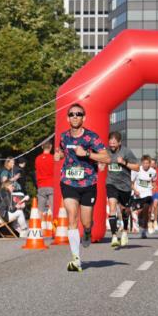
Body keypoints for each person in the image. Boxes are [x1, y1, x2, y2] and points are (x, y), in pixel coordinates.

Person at [54, 103, 109, 272]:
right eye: (72, 114)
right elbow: (62, 151)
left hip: (88, 184)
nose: (75, 116)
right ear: (67, 118)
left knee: (86, 222)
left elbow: (107, 158)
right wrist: (59, 155)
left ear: (84, 118)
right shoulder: (64, 137)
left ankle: (87, 231)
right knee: (72, 217)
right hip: (68, 182)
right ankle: (76, 259)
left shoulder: (91, 137)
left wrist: (86, 154)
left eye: (78, 114)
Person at [103, 131, 139, 249]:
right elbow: (101, 161)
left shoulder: (126, 152)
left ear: (119, 142)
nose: (112, 145)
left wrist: (124, 162)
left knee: (124, 210)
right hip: (111, 183)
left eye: (114, 143)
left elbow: (137, 167)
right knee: (112, 206)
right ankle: (114, 236)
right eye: (110, 143)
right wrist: (101, 165)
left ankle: (124, 232)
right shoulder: (106, 151)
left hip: (125, 185)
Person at [130, 155, 157, 238]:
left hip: (148, 194)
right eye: (144, 163)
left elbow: (154, 181)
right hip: (138, 195)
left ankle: (144, 229)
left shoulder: (153, 171)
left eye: (147, 163)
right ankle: (141, 224)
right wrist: (135, 190)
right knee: (140, 212)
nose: (146, 165)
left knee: (146, 210)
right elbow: (131, 183)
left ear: (150, 164)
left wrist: (154, 187)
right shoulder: (136, 170)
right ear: (141, 163)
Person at [34, 141, 56, 222]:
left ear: (42, 147)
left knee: (40, 208)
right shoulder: (53, 158)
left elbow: (36, 171)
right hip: (51, 185)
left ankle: (40, 226)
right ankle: (52, 226)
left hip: (41, 185)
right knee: (52, 208)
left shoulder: (37, 158)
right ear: (51, 147)